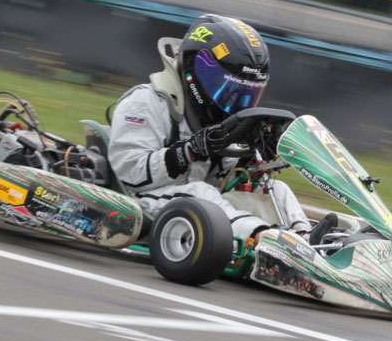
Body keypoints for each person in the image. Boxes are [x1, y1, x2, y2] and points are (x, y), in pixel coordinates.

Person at [107, 13, 336, 245]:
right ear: (196, 73)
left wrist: (255, 158)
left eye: (246, 94)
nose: (235, 102)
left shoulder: (216, 119)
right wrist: (188, 152)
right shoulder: (145, 102)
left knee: (278, 189)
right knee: (200, 194)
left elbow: (223, 181)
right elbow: (130, 172)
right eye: (228, 89)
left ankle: (305, 241)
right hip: (145, 200)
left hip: (203, 206)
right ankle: (265, 240)